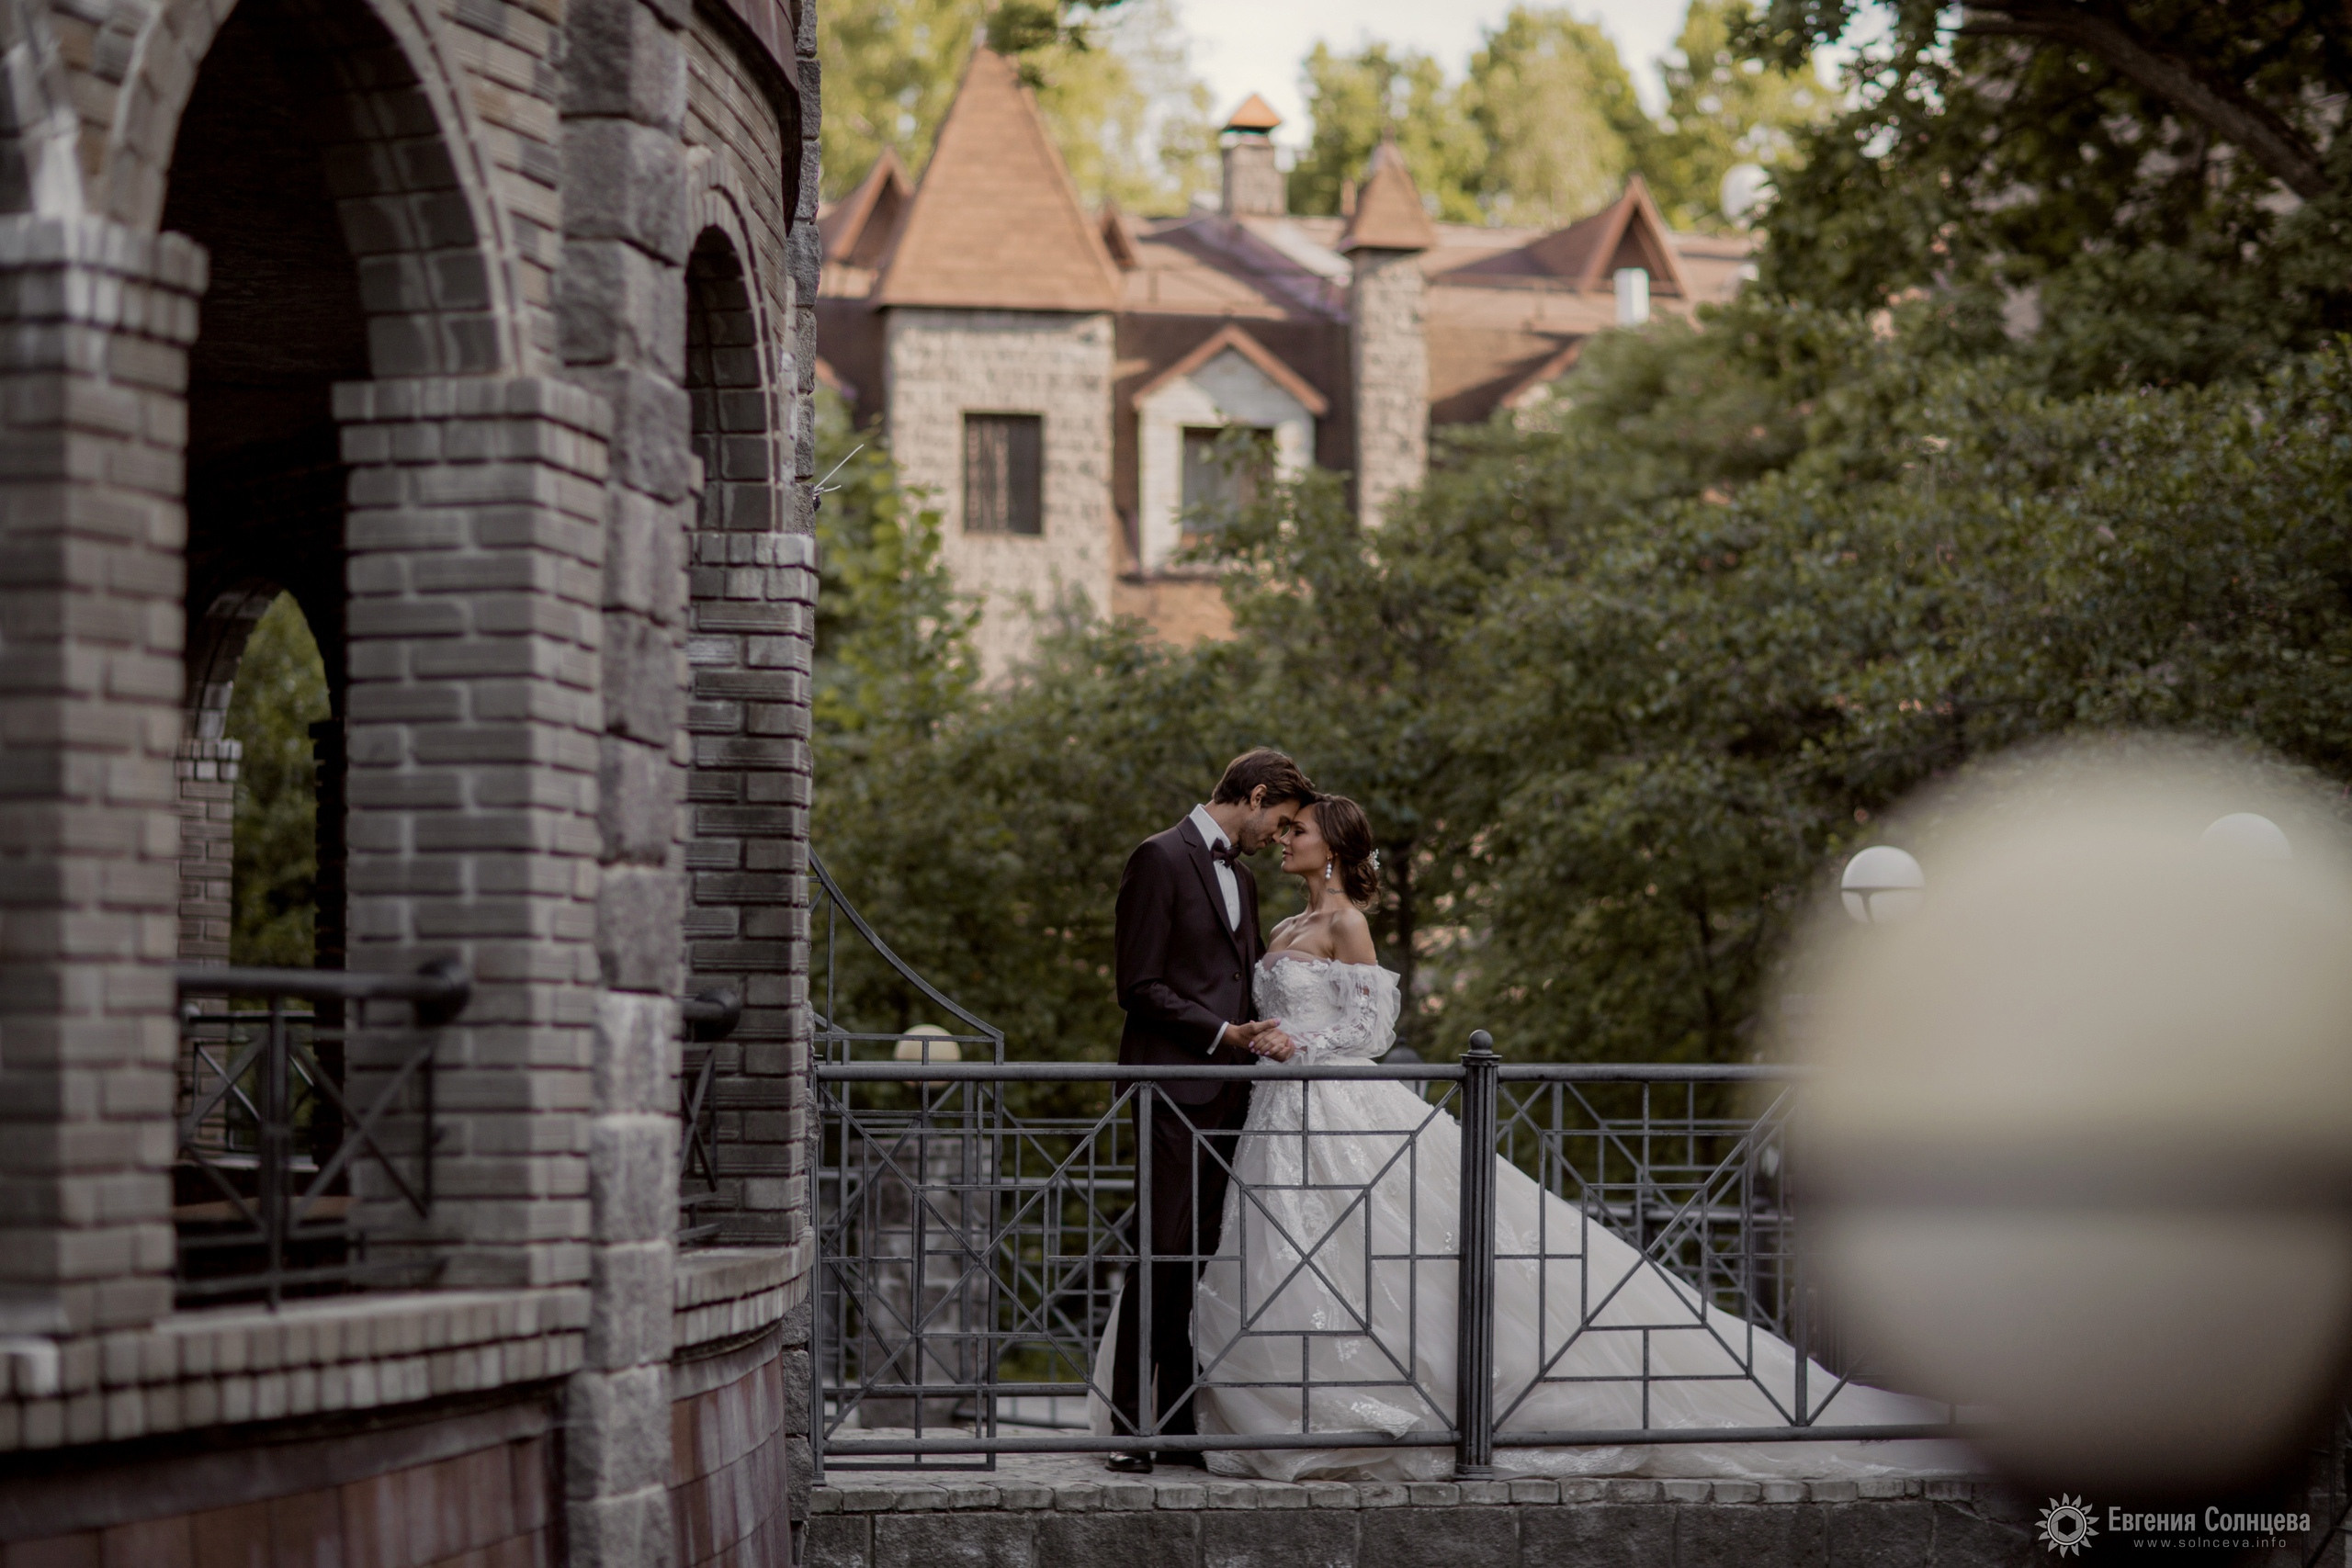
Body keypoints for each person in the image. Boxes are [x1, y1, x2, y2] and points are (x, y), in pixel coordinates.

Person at [1170, 795, 1966, 1483]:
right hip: (1278, 1117)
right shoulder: (1286, 921)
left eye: (1298, 829)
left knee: (1398, 1244)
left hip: (1340, 1108)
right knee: (1296, 1253)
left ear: (1335, 845)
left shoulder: (1346, 922)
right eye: (1286, 828)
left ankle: (1420, 1404)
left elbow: (1374, 1029)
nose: (1285, 839)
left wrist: (1295, 1046)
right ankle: (1294, 1404)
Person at [1102, 749, 1317, 1474]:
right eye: (1280, 821)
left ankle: (1182, 1423)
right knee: (1159, 1252)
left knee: (1202, 1261)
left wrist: (1272, 1035)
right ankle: (1132, 1430)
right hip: (1167, 1090)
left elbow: (1243, 980)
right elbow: (1137, 983)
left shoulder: (1245, 881)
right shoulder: (1157, 858)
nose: (1278, 837)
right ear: (1255, 796)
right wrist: (1221, 1033)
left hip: (1232, 1095)